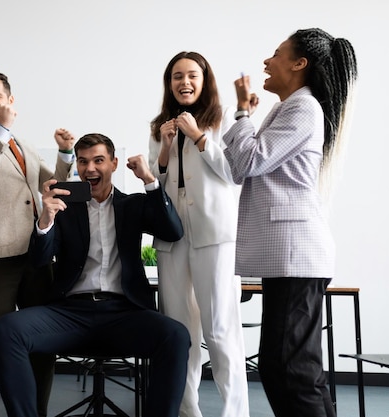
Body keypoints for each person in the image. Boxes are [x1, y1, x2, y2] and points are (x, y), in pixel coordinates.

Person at [0, 133, 191, 417]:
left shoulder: (133, 205)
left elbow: (174, 231)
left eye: (99, 160)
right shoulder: (65, 209)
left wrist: (149, 181)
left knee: (176, 335)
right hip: (70, 314)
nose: (90, 168)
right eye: (83, 162)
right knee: (6, 329)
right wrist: (46, 219)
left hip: (124, 314)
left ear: (114, 164)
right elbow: (39, 260)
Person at [222, 28, 358, 417]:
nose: (267, 61)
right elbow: (239, 171)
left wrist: (243, 114)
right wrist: (246, 118)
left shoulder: (303, 108)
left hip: (296, 256)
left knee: (289, 369)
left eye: (277, 54)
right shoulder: (289, 108)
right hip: (288, 259)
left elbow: (249, 161)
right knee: (289, 368)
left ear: (300, 64)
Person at [0, 72, 75, 417]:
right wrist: (1, 132)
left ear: (10, 100)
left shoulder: (21, 145)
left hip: (35, 255)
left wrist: (65, 152)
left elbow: (52, 184)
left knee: (43, 342)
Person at [148, 51, 250, 417]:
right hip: (173, 239)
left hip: (215, 236)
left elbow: (233, 172)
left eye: (192, 75)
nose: (184, 82)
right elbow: (155, 184)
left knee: (220, 329)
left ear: (205, 80)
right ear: (168, 82)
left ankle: (235, 413)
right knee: (179, 333)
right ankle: (188, 411)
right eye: (177, 76)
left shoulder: (220, 120)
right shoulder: (159, 123)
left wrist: (199, 137)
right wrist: (163, 146)